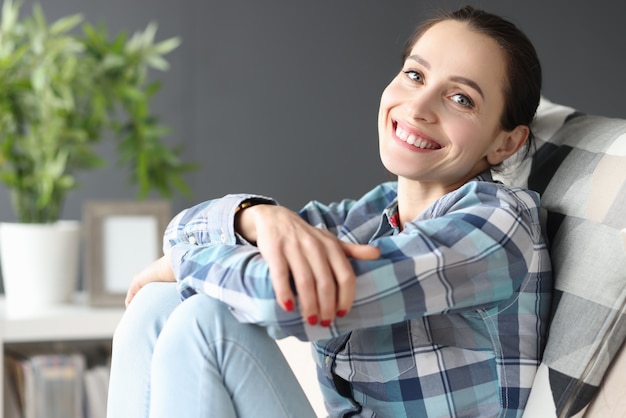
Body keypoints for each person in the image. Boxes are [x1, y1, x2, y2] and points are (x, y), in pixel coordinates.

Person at [107, 5, 552, 418]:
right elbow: (183, 232)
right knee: (158, 302)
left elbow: (285, 302)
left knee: (206, 321)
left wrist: (184, 262)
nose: (418, 106)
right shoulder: (372, 214)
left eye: (461, 99)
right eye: (415, 75)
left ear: (506, 143)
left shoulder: (497, 224)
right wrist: (255, 217)